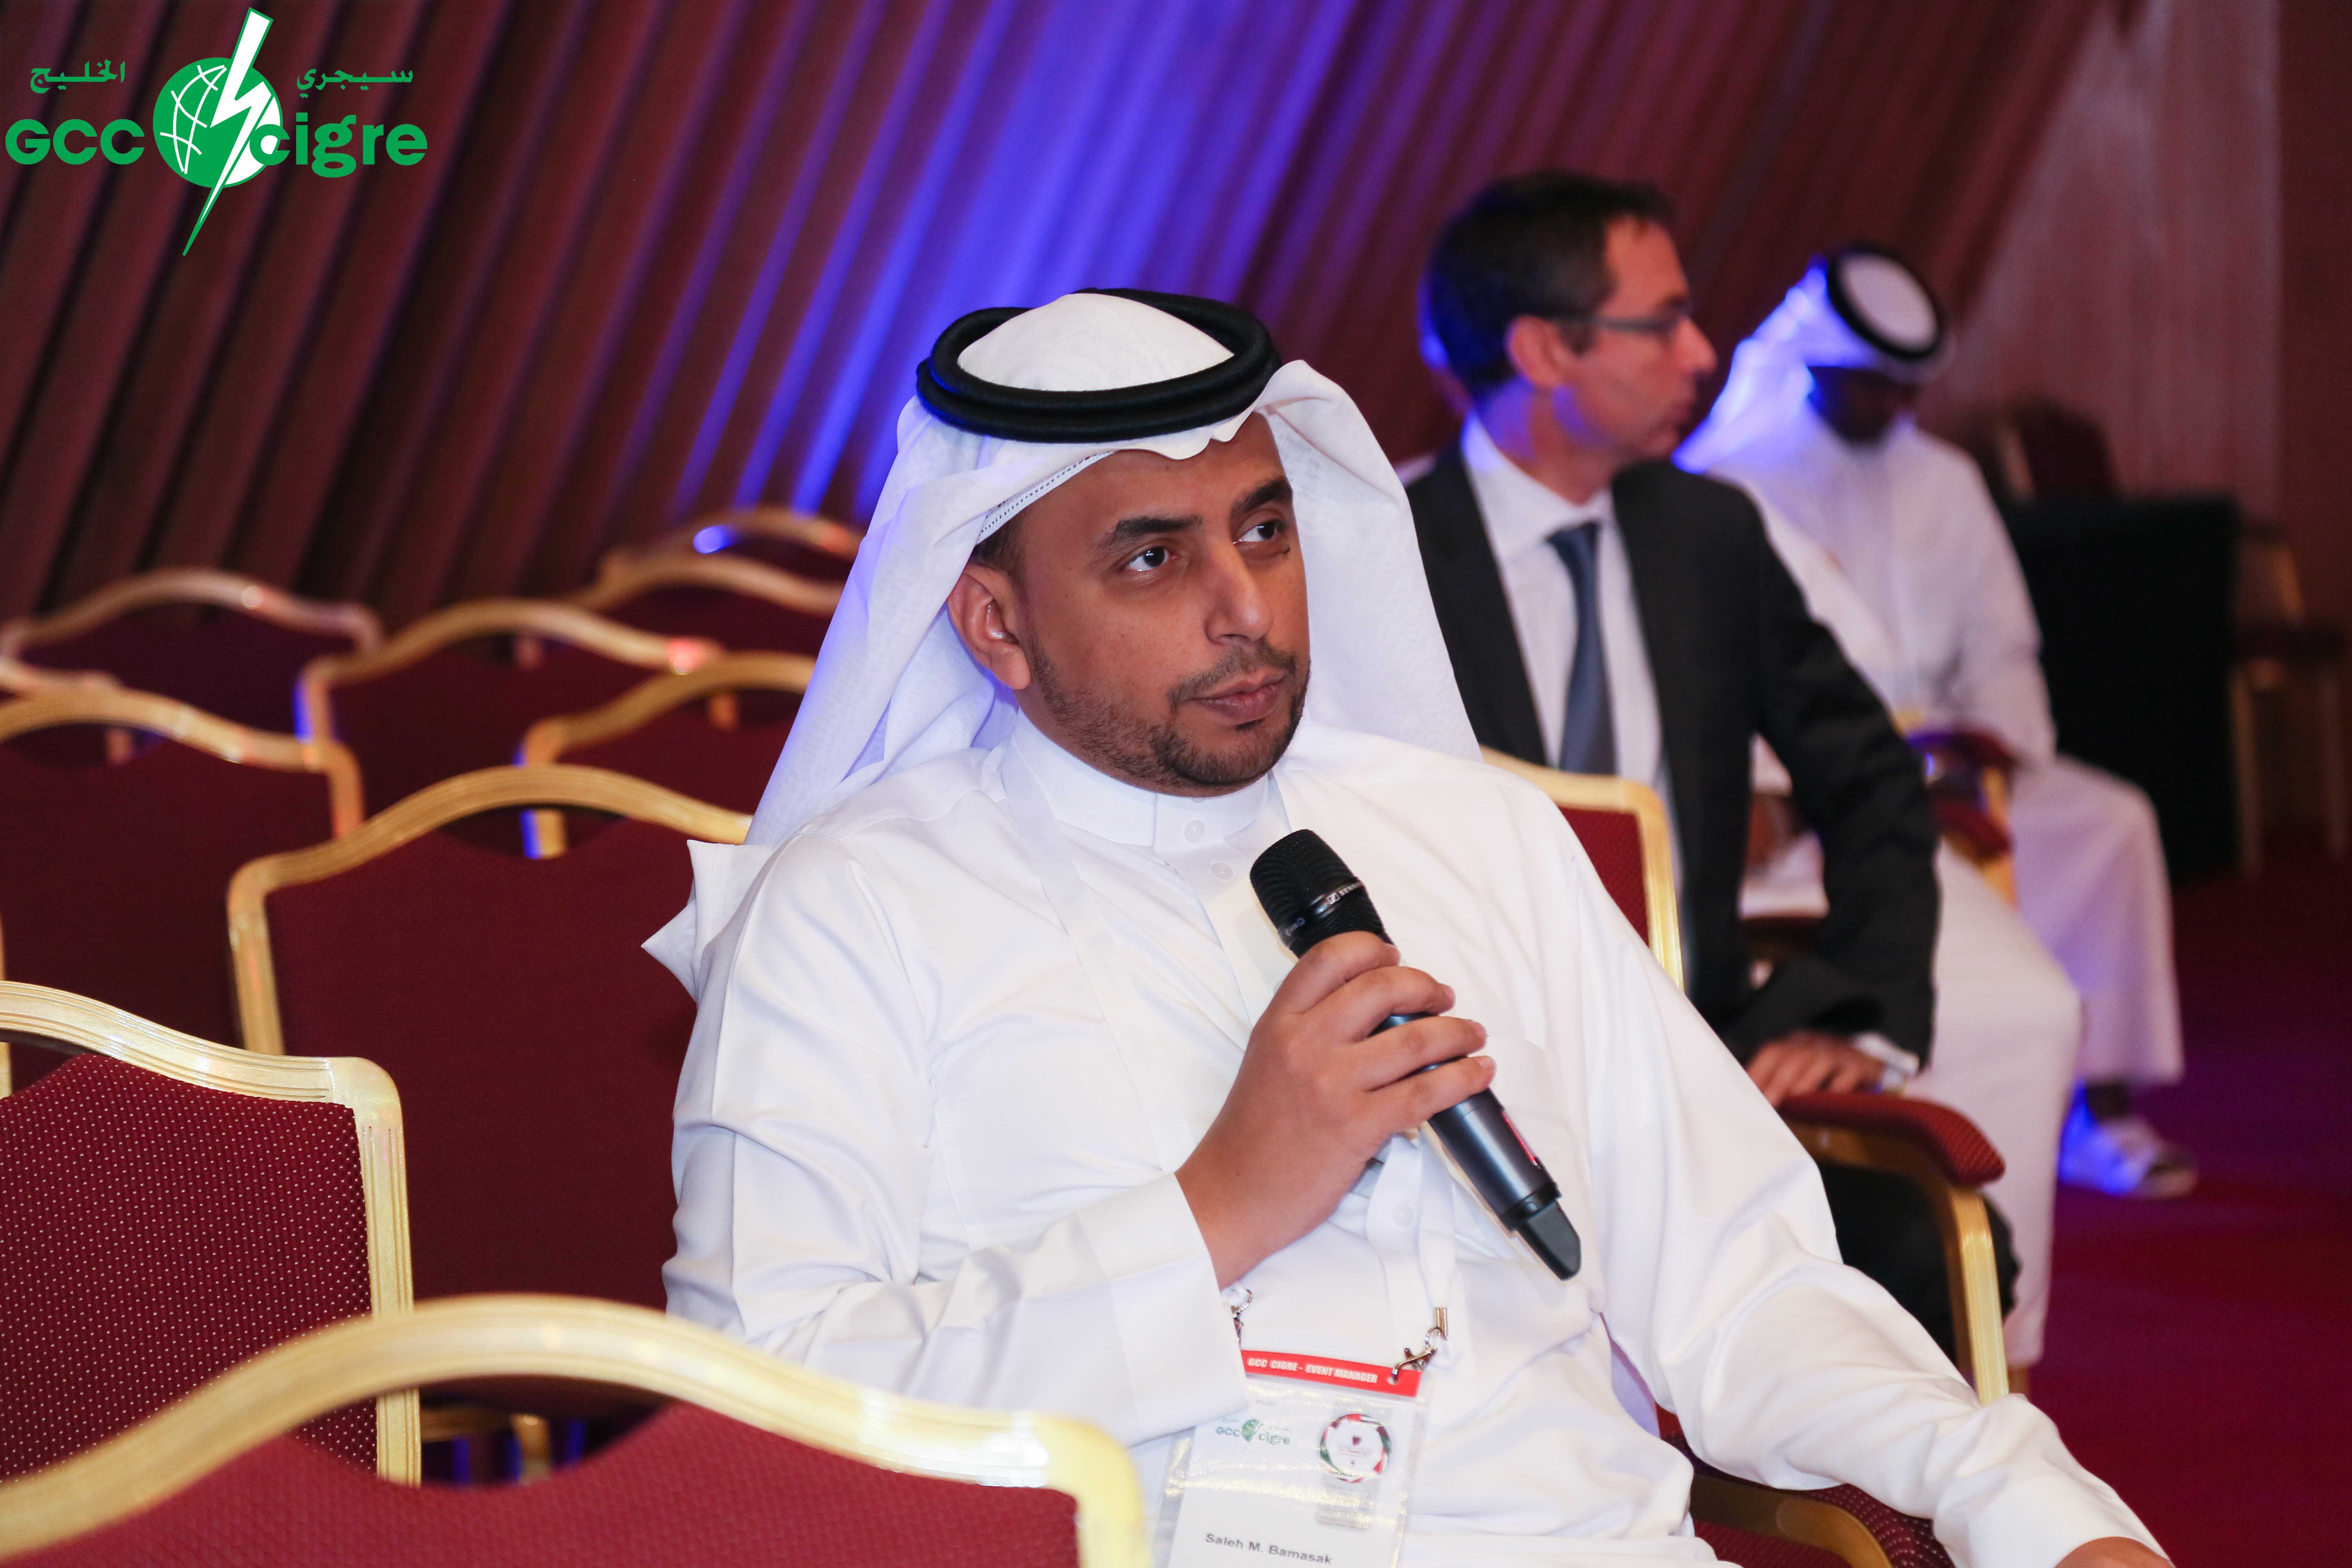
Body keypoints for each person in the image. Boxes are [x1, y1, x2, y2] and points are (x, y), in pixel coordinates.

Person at [651, 287, 2163, 1564]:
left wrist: (2032, 1510)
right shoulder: (850, 911)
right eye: (1153, 558)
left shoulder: (1479, 837)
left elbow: (1743, 1283)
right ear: (996, 624)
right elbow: (764, 1417)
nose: (1249, 609)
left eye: (1266, 530)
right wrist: (1220, 1205)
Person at [1404, 172, 2077, 1368]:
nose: (1703, 355)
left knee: (1932, 1249)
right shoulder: (1386, 555)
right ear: (1545, 350)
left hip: (1695, 1084)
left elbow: (1873, 778)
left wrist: (1864, 1008)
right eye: (1662, 322)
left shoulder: (1707, 537)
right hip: (1462, 1105)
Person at [1681, 246, 2194, 1204]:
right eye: (1871, 383)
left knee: (2112, 822)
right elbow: (1716, 681)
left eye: (1905, 387)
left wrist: (1992, 738)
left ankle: (2102, 1113)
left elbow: (2003, 642)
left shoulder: (1947, 478)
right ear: (1819, 366)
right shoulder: (1733, 482)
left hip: (1955, 755)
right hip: (1810, 781)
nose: (1892, 405)